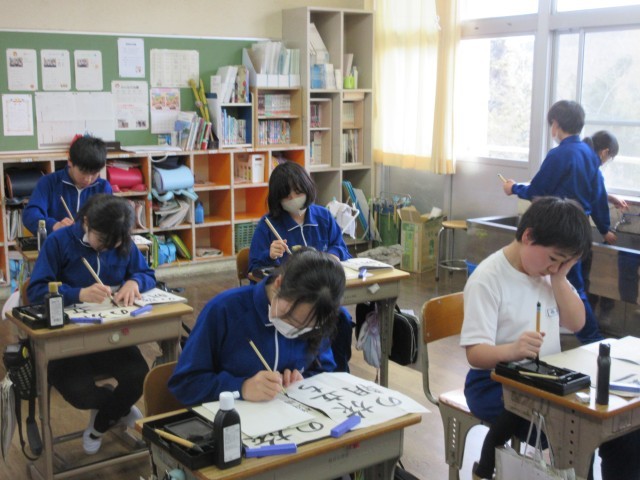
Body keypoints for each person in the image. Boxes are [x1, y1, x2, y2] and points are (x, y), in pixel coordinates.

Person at [462, 197, 640, 480]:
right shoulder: (488, 279)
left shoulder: (548, 274)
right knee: (576, 432)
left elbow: (577, 322)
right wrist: (512, 350)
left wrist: (559, 279)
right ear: (528, 236)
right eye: (554, 259)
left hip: (546, 382)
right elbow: (475, 354)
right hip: (494, 384)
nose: (555, 268)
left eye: (565, 263)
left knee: (623, 431)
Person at [27, 194, 155, 455]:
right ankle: (117, 409)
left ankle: (100, 423)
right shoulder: (59, 242)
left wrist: (134, 282)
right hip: (67, 342)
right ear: (86, 222)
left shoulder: (121, 242)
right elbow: (36, 290)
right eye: (101, 241)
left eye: (114, 244)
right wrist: (78, 294)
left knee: (138, 375)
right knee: (80, 394)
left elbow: (146, 274)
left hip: (111, 336)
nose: (106, 249)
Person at [168, 248, 345, 405]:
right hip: (229, 423)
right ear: (279, 283)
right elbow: (185, 385)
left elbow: (324, 371)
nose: (293, 330)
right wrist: (242, 387)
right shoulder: (225, 310)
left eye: (304, 329)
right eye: (290, 317)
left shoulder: (317, 317)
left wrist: (302, 380)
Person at [502, 100, 611, 344]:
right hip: (579, 229)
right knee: (573, 284)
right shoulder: (589, 154)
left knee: (566, 282)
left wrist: (513, 188)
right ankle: (587, 337)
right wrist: (605, 229)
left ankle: (593, 339)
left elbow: (538, 190)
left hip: (559, 229)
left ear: (555, 125)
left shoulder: (559, 154)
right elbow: (599, 195)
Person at [248, 161, 354, 372]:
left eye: (298, 192)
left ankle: (339, 371)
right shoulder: (268, 224)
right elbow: (253, 269)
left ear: (307, 188)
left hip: (321, 290)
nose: (294, 199)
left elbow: (341, 248)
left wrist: (332, 256)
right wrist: (269, 254)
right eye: (287, 196)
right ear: (278, 200)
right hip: (289, 297)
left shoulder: (323, 217)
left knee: (342, 317)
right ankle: (302, 367)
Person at [23, 135, 112, 235]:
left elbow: (110, 221)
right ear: (70, 161)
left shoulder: (103, 187)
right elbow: (30, 216)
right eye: (83, 172)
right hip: (56, 242)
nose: (88, 179)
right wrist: (54, 225)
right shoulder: (49, 182)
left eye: (94, 173)